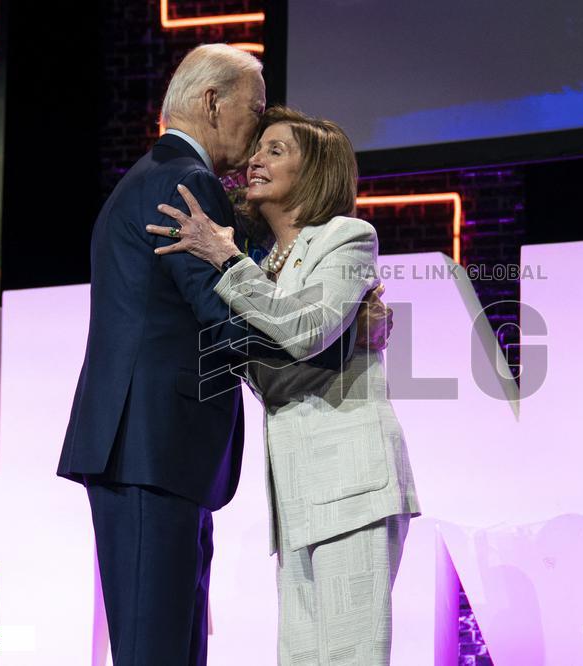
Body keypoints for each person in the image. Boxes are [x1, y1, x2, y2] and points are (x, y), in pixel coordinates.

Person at [57, 47, 389, 666]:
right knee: (155, 648)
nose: (257, 137)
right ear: (213, 102)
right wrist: (338, 341)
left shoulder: (157, 174)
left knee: (170, 645)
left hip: (152, 449)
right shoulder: (186, 182)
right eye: (255, 111)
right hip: (152, 447)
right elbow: (224, 318)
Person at [148, 106, 421, 665]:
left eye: (275, 151)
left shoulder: (346, 237)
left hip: (353, 487)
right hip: (296, 496)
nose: (255, 160)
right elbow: (264, 361)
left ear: (315, 170)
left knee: (350, 658)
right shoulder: (266, 261)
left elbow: (306, 328)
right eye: (257, 149)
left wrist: (226, 259)